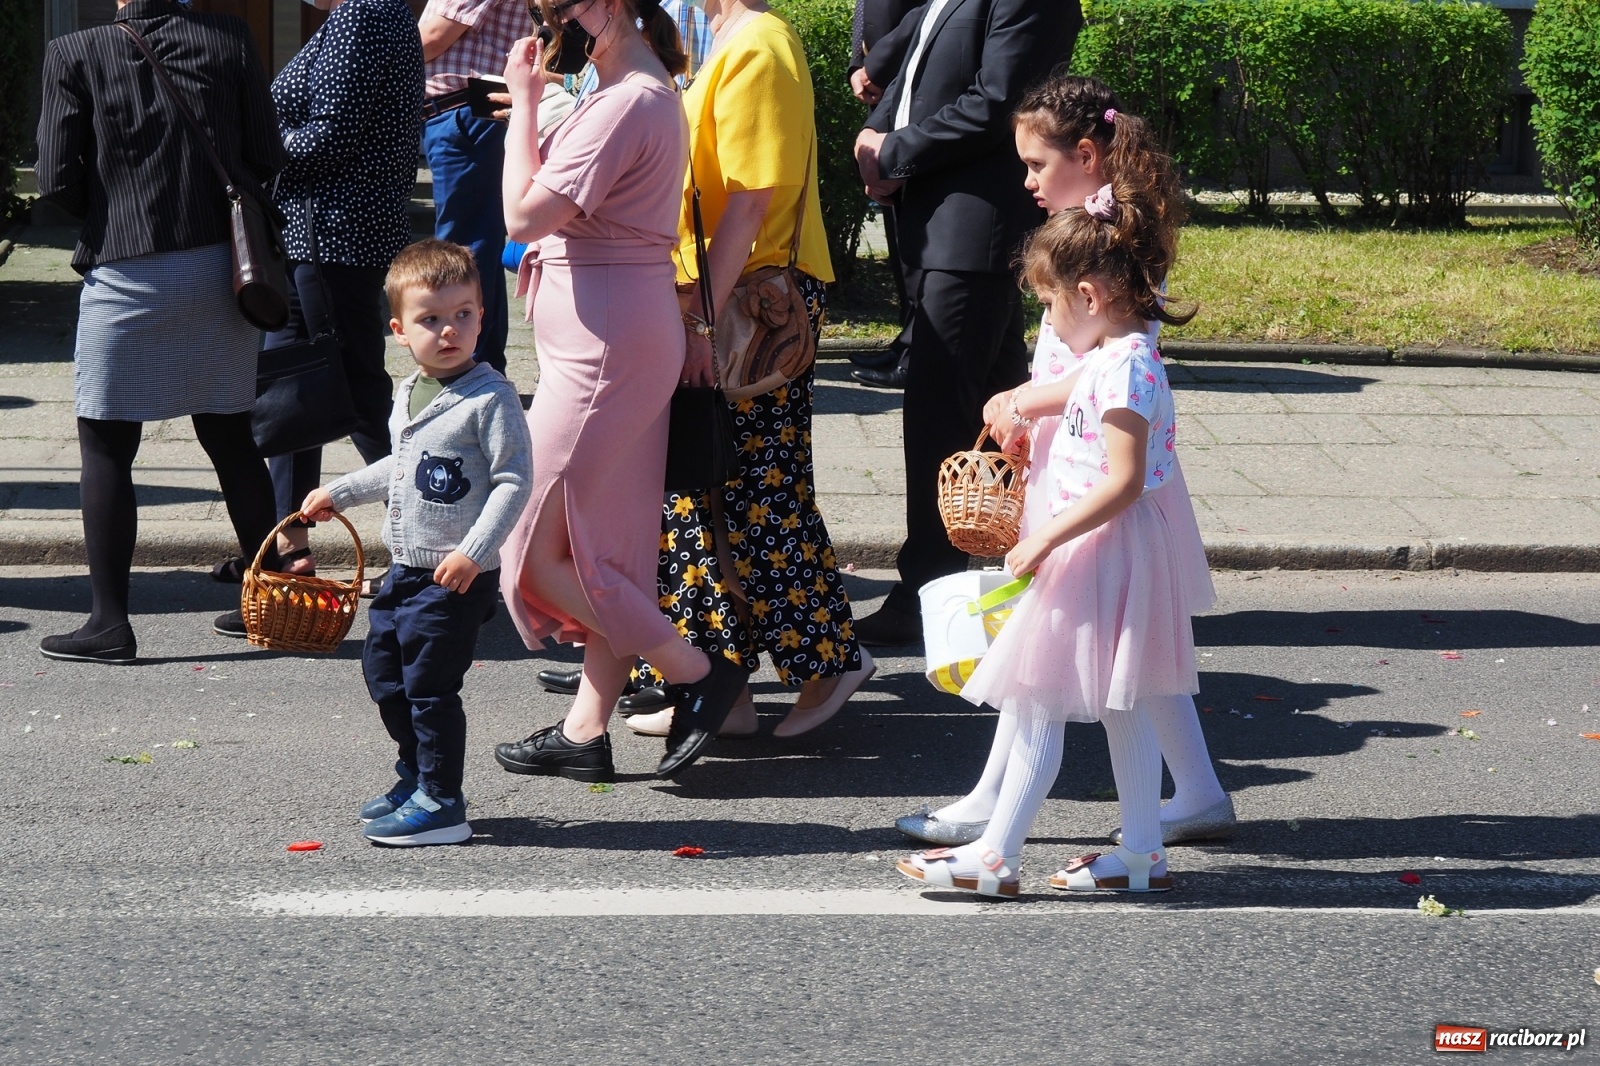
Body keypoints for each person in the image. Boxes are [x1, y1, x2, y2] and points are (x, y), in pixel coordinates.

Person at [897, 78, 1236, 848]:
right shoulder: (1088, 230)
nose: (1026, 180)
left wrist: (1027, 401)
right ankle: (1198, 794)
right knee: (1141, 646)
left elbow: (1121, 365)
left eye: (1036, 164)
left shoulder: (1114, 241)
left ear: (1085, 156)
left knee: (1045, 641)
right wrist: (1033, 417)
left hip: (1103, 470)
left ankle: (996, 808)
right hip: (1085, 457)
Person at [491, 0, 749, 782]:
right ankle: (584, 731)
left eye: (556, 8)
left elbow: (523, 214)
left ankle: (696, 672)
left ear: (608, 6)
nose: (546, 23)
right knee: (611, 551)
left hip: (602, 352)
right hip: (616, 341)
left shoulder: (628, 98)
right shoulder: (632, 89)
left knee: (526, 548)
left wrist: (527, 107)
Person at [617, 0, 874, 743]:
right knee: (705, 495)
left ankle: (832, 659)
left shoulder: (760, 42)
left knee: (758, 490)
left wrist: (701, 314)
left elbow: (756, 198)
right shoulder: (729, 39)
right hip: (726, 294)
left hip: (752, 303)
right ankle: (717, 682)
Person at [34, 0, 287, 663]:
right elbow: (267, 153)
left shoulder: (73, 51)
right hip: (222, 269)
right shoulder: (229, 37)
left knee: (108, 442)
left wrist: (114, 216)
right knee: (230, 433)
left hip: (126, 269)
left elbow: (56, 177)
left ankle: (109, 623)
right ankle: (273, 602)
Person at [850, 0, 1079, 646]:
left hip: (976, 230)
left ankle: (927, 593)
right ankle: (1030, 577)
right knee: (1001, 418)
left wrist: (897, 149)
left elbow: (997, 99)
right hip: (944, 225)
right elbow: (924, 51)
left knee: (939, 413)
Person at [300, 239, 534, 846]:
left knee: (430, 687)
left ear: (483, 317)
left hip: (454, 576)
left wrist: (475, 553)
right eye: (432, 319)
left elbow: (514, 481)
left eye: (463, 314)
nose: (449, 330)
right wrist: (341, 491)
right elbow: (398, 468)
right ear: (400, 330)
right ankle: (415, 772)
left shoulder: (491, 397)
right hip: (405, 569)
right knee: (385, 674)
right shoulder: (409, 392)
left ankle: (442, 801)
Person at [212, 0, 424, 583]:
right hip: (321, 235)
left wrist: (247, 155)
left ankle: (437, 551)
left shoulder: (363, 13)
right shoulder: (369, 13)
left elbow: (332, 134)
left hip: (335, 238)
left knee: (355, 398)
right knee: (290, 397)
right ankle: (287, 554)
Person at [418, 0, 532, 374]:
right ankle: (481, 366)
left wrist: (368, 51)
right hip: (466, 115)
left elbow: (434, 37)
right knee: (474, 246)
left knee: (463, 249)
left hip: (464, 115)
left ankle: (469, 368)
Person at [845, 0, 918, 389]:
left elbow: (920, 21)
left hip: (908, 90)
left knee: (915, 248)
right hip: (884, 92)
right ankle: (907, 341)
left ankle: (915, 351)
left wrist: (878, 67)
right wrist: (858, 65)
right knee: (899, 239)